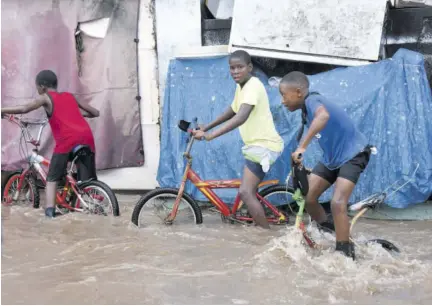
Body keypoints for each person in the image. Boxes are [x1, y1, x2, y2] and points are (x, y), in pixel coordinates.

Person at [279, 71, 370, 260]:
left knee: (337, 203)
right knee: (309, 198)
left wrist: (302, 147)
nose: (282, 101)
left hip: (354, 154)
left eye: (283, 95)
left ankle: (345, 254)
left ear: (298, 92)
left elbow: (323, 117)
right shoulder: (305, 111)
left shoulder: (313, 101)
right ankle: (331, 231)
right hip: (332, 159)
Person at [192, 50, 284, 229]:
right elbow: (232, 110)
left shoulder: (253, 86)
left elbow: (241, 117)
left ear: (249, 67)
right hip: (256, 146)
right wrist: (207, 127)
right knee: (249, 190)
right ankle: (255, 224)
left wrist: (210, 136)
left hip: (263, 146)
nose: (235, 71)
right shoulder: (242, 86)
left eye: (239, 67)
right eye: (232, 68)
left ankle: (266, 235)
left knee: (245, 192)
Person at [1, 70, 99, 218]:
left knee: (52, 179)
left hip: (67, 140)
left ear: (42, 87)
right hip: (87, 137)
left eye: (37, 88)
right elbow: (95, 113)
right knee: (85, 179)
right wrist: (77, 113)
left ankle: (49, 214)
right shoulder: (70, 96)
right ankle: (86, 199)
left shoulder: (45, 98)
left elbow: (24, 109)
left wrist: (2, 109)